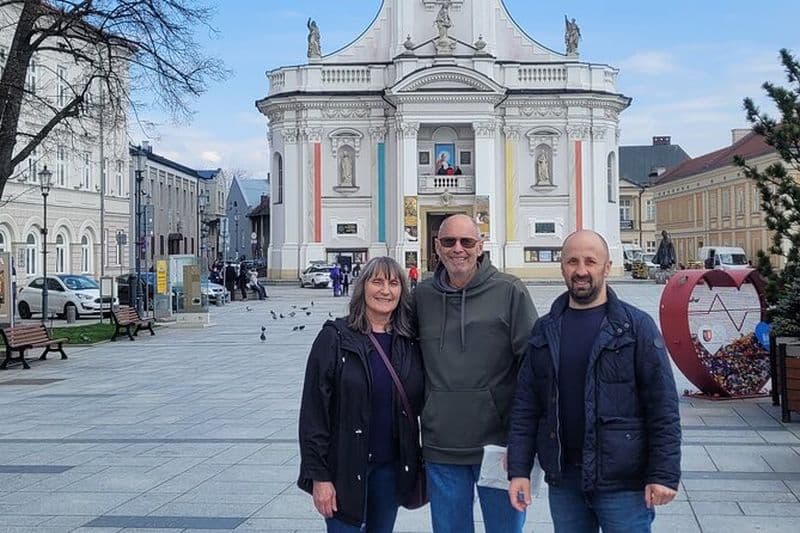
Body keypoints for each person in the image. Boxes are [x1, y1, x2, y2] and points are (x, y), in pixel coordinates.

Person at [507, 230, 681, 533]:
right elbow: (526, 406)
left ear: (607, 266)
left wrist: (664, 473)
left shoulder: (636, 327)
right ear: (562, 267)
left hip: (623, 482)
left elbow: (662, 405)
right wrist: (519, 469)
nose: (581, 270)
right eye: (572, 261)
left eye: (591, 261)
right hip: (565, 481)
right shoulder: (545, 329)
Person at [414, 214, 538, 533]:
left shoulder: (510, 291)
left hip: (498, 448)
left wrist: (524, 441)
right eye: (449, 241)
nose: (458, 249)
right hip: (442, 445)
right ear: (437, 247)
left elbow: (534, 367)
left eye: (467, 242)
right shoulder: (422, 297)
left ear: (480, 246)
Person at [298, 256, 425, 532]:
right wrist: (319, 477)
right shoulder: (335, 337)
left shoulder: (409, 342)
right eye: (376, 281)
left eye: (393, 283)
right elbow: (314, 414)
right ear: (362, 287)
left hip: (389, 471)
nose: (385, 290)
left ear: (402, 290)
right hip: (343, 468)